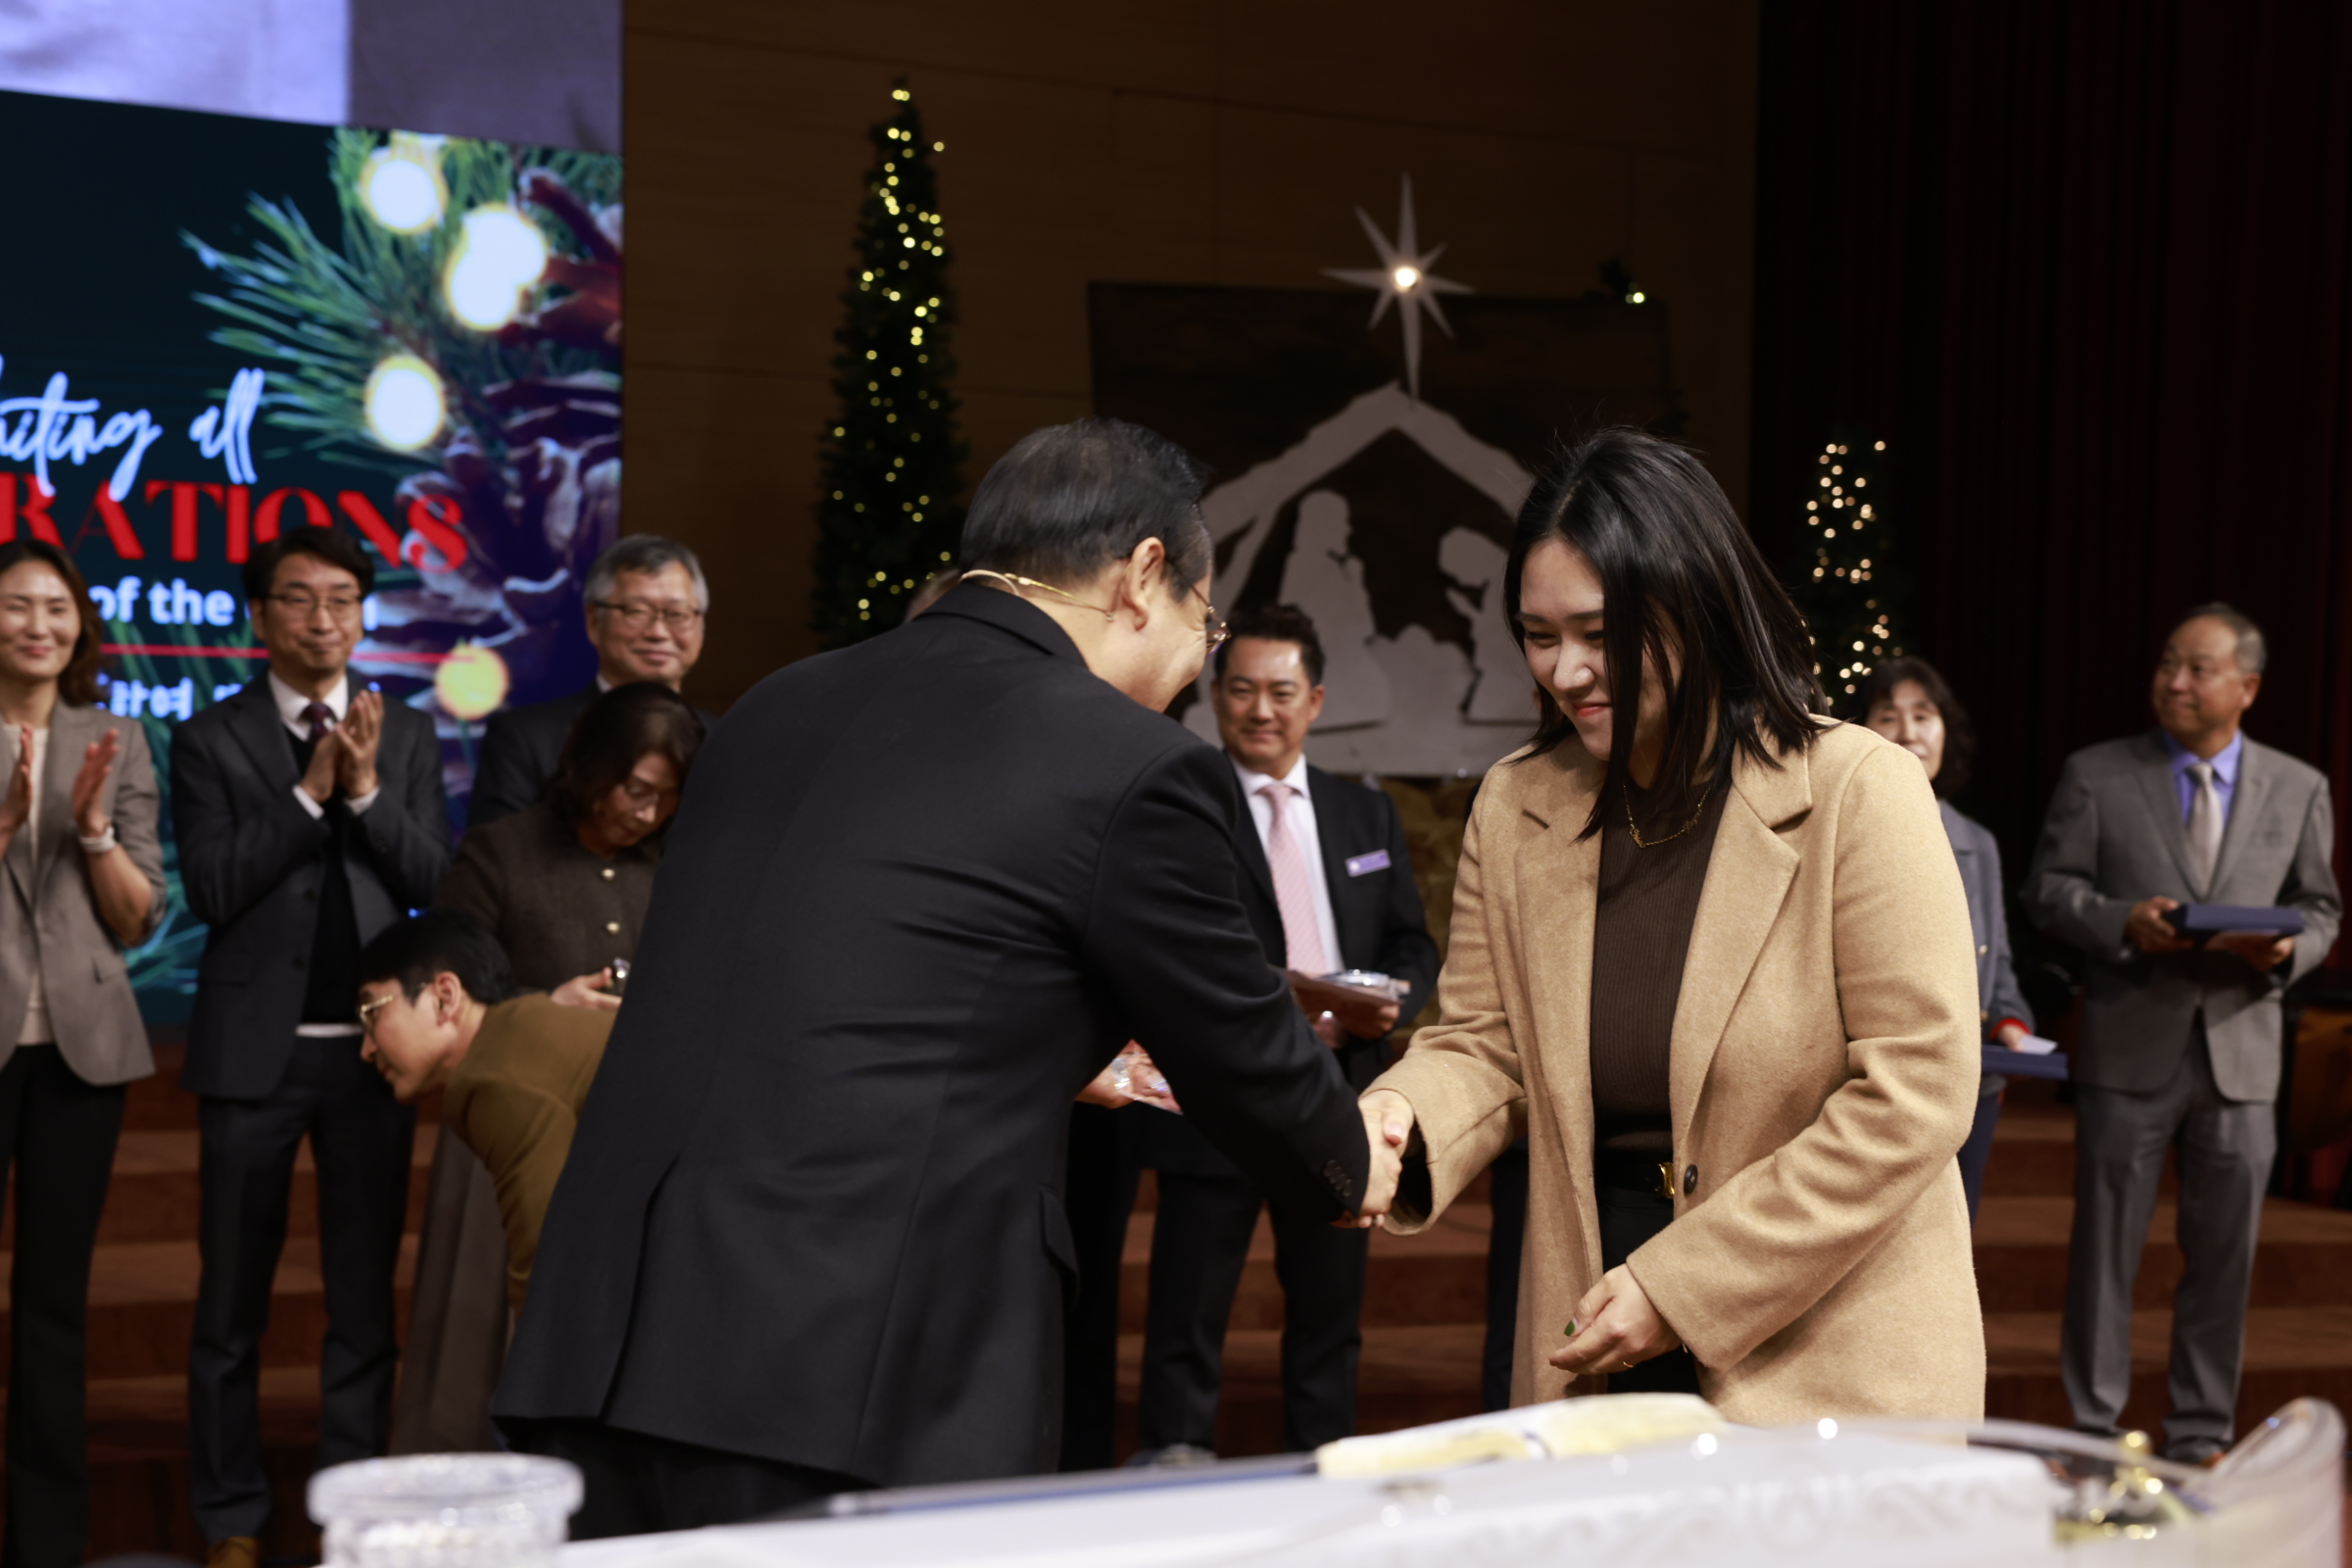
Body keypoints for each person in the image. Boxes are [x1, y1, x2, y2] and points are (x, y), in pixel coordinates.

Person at [493, 417, 1393, 1537]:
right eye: (1204, 625)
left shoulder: (773, 703)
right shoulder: (1133, 763)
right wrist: (1355, 1160)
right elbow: (1245, 1054)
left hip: (598, 1346)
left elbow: (843, 986)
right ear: (1143, 575)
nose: (1196, 663)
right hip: (843, 1373)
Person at [1358, 426, 1984, 1421]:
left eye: (1600, 632)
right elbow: (1483, 1043)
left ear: (1696, 603)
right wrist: (1397, 1118)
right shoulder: (1517, 804)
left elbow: (1918, 1091)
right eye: (1539, 634)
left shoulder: (1858, 787)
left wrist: (1683, 1285)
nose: (1567, 671)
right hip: (1599, 1323)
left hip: (1827, 1351)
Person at [173, 529, 451, 1568]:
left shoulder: (407, 733)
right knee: (228, 1307)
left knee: (364, 1304)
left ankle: (356, 1520)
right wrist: (308, 792)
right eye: (298, 598)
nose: (322, 616)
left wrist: (368, 790)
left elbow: (436, 877)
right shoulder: (210, 738)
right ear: (260, 615)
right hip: (254, 1054)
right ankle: (230, 1520)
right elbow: (213, 887)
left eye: (341, 598)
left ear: (362, 614)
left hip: (377, 1058)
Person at [2023, 604, 2339, 1463]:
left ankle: (2201, 1433)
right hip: (2130, 1044)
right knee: (2104, 1254)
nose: (2175, 682)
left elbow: (2321, 908)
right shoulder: (2098, 773)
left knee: (2225, 1258)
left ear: (2248, 688)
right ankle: (2093, 1432)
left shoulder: (2300, 786)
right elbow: (2049, 890)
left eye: (2199, 669)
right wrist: (2123, 920)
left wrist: (2289, 950)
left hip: (2243, 1051)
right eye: (2168, 664)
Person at [1132, 603, 1438, 1458]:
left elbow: (1413, 942)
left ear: (1316, 700)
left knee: (1329, 1325)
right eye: (1241, 690)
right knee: (1185, 1323)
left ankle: (1323, 1477)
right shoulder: (1180, 804)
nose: (1260, 710)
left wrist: (1396, 997)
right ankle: (1171, 1485)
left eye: (1281, 692)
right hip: (1215, 1103)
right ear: (1215, 697)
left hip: (1337, 1101)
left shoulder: (1364, 815)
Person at [390, 683, 703, 1453]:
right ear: (593, 769)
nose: (648, 814)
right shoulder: (503, 851)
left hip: (631, 1128)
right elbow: (442, 987)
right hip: (509, 1114)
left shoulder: (678, 862)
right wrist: (541, 1003)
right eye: (636, 791)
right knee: (484, 1328)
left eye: (667, 798)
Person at [0, 541, 166, 1568]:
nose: (38, 625)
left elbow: (139, 919)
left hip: (81, 1055)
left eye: (56, 608)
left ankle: (48, 1546)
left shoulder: (117, 737)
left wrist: (96, 832)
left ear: (80, 625)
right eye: (18, 605)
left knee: (54, 1308)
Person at [354, 913, 613, 1314]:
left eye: (372, 1014)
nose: (366, 1050)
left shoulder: (494, 1078)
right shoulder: (519, 1030)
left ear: (445, 997)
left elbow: (547, 1274)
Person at [1859, 658, 2034, 1221]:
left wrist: (2010, 1022)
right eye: (1888, 716)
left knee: (1956, 1234)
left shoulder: (1976, 841)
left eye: (1923, 715)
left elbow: (1996, 961)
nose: (1908, 731)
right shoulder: (1842, 825)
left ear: (1945, 730)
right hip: (1871, 1079)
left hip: (1967, 1079)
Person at [468, 536, 710, 829]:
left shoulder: (721, 741)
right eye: (636, 611)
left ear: (700, 627)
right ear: (594, 621)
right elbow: (496, 854)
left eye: (677, 614)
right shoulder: (523, 739)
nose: (658, 632)